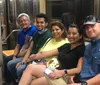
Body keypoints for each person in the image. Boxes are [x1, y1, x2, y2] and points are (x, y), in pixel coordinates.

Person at [18, 23, 85, 85]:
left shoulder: (81, 49)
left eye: (74, 34)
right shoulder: (67, 46)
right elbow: (49, 53)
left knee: (33, 83)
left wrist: (62, 72)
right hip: (53, 69)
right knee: (30, 67)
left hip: (64, 75)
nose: (70, 36)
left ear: (80, 36)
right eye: (69, 33)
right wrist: (27, 60)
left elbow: (79, 69)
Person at [8, 13, 52, 81]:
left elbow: (39, 53)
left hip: (37, 59)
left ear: (46, 24)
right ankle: (17, 80)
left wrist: (26, 61)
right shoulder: (37, 33)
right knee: (10, 64)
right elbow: (30, 48)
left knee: (20, 69)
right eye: (37, 22)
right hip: (29, 57)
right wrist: (23, 61)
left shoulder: (47, 35)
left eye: (42, 22)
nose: (39, 24)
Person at [3, 13, 37, 85]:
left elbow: (32, 47)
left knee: (11, 64)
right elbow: (18, 46)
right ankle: (10, 80)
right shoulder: (20, 32)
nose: (23, 22)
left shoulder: (34, 30)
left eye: (25, 20)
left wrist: (22, 54)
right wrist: (14, 55)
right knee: (6, 59)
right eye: (21, 21)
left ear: (29, 21)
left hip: (28, 54)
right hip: (20, 53)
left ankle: (17, 80)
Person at [68, 15, 100, 85]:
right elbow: (85, 69)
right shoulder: (87, 47)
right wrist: (75, 76)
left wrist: (83, 84)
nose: (89, 29)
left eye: (92, 26)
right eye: (87, 28)